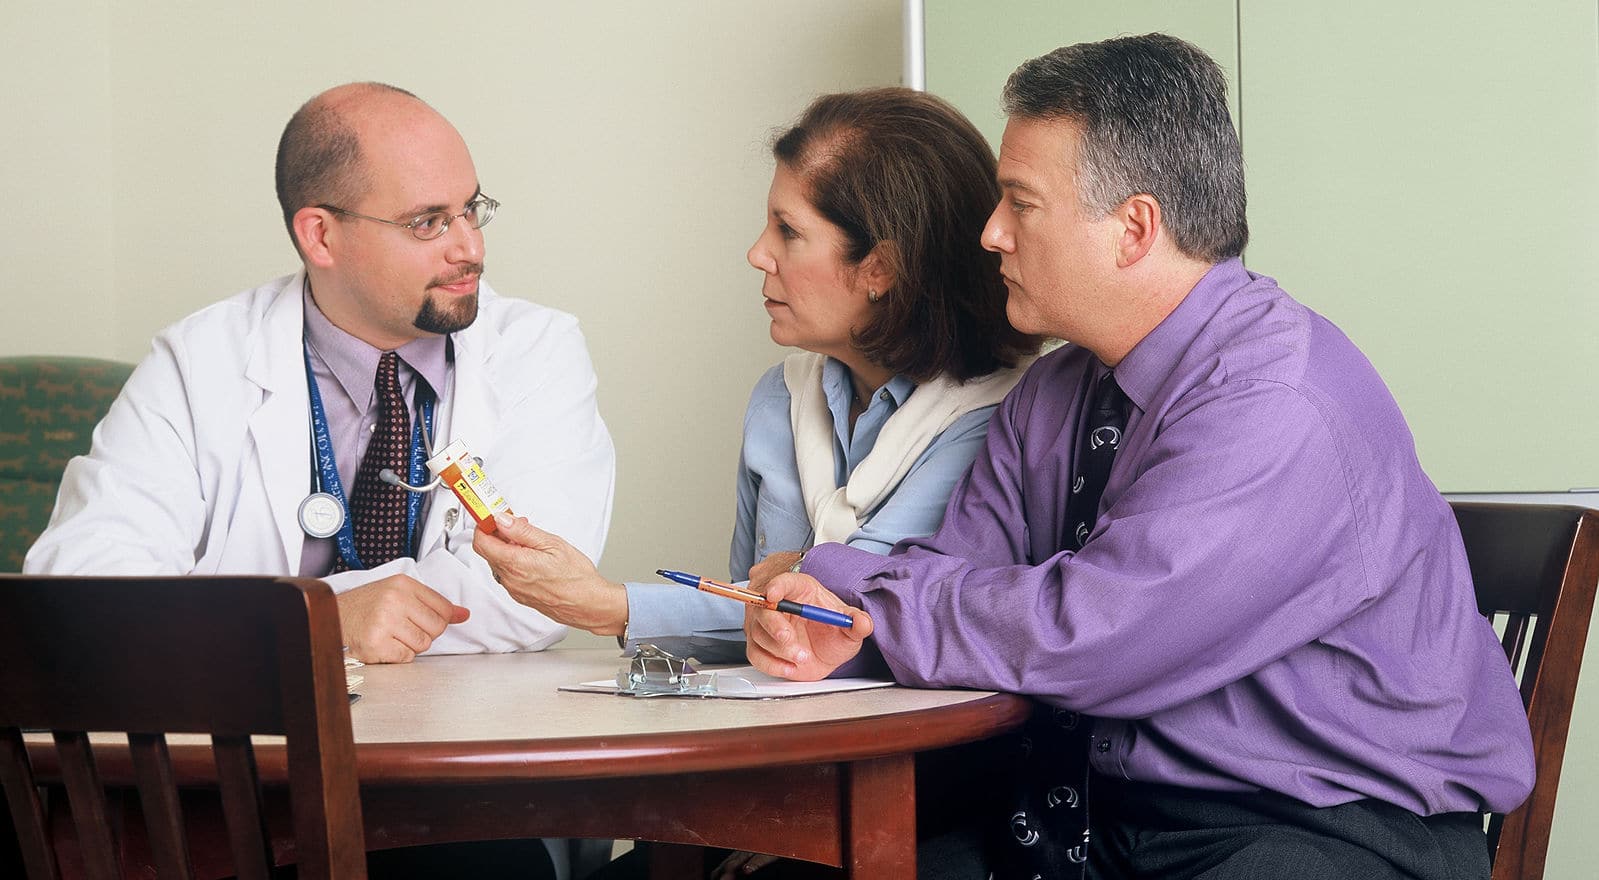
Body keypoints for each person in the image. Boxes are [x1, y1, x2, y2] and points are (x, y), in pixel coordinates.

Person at [744, 35, 1535, 880]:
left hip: (1316, 832)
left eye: (1019, 203)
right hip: (1089, 819)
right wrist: (839, 631)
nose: (989, 234)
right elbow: (954, 583)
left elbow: (1089, 635)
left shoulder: (1276, 401)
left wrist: (859, 585)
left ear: (1133, 229)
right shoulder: (1051, 396)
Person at [474, 87, 1039, 879]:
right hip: (773, 774)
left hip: (921, 792)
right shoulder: (782, 397)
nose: (756, 254)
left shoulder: (1001, 416)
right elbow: (747, 611)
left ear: (878, 268)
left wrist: (610, 603)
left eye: (788, 232)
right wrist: (606, 608)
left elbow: (844, 614)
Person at [25, 82, 616, 666]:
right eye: (428, 223)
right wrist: (325, 621)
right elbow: (84, 593)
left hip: (459, 728)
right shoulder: (199, 359)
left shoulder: (536, 350)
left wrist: (260, 616)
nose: (470, 248)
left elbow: (537, 599)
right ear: (321, 236)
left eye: (471, 210)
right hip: (253, 738)